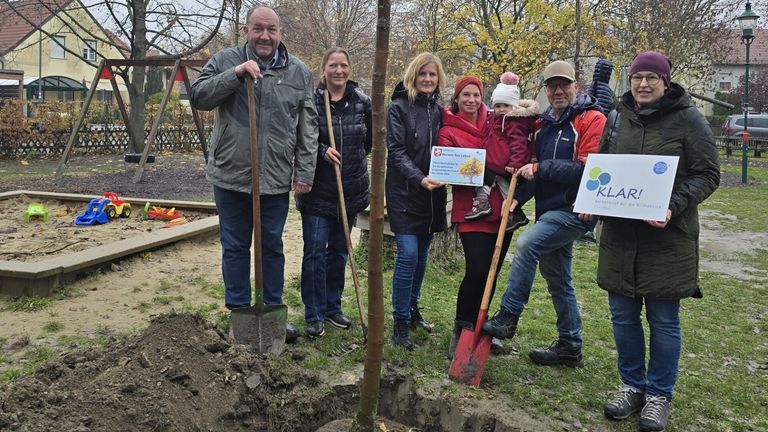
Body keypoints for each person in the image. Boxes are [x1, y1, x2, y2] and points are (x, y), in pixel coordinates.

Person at [592, 51, 719, 432]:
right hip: (619, 236)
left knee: (663, 320)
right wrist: (591, 202)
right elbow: (602, 166)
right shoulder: (616, 118)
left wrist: (672, 205)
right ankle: (631, 385)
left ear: (666, 82)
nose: (643, 84)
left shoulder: (688, 120)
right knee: (622, 316)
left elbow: (708, 174)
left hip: (667, 240)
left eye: (651, 77)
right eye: (637, 77)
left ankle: (659, 394)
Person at [189, 6, 318, 342]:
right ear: (246, 30)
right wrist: (234, 74)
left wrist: (304, 171)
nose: (265, 36)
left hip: (274, 177)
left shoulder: (298, 72)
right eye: (258, 29)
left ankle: (272, 312)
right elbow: (199, 97)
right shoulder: (224, 59)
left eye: (271, 30)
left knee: (271, 246)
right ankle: (240, 313)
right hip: (231, 173)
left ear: (280, 33)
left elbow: (308, 126)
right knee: (235, 246)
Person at [482, 60, 606, 368]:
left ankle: (509, 315)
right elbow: (532, 170)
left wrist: (539, 168)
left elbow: (588, 168)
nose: (558, 91)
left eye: (564, 84)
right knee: (558, 280)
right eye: (552, 86)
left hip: (577, 210)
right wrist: (518, 199)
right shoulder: (544, 124)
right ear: (546, 90)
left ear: (576, 86)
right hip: (549, 209)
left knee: (526, 245)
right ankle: (570, 346)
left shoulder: (591, 119)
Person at [437, 74, 539, 359]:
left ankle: (480, 329)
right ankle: (462, 327)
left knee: (492, 273)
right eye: (465, 95)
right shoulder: (448, 129)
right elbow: (451, 168)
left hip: (503, 208)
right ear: (456, 98)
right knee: (477, 270)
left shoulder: (498, 119)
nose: (471, 100)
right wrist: (490, 167)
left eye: (476, 94)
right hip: (471, 208)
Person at [296, 48, 372, 339]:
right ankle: (313, 313)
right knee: (314, 253)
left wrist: (349, 160)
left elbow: (368, 144)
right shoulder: (313, 102)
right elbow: (300, 139)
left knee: (339, 251)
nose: (338, 70)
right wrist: (321, 152)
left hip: (349, 191)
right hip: (316, 192)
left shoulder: (361, 102)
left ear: (349, 69)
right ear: (324, 68)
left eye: (343, 65)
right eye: (333, 65)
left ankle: (332, 306)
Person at [386, 52, 448, 350]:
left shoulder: (440, 110)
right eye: (422, 74)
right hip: (404, 193)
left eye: (432, 75)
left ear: (438, 79)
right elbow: (396, 152)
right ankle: (399, 321)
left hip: (432, 195)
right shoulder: (398, 108)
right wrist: (419, 179)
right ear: (413, 76)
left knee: (422, 257)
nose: (427, 79)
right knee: (408, 254)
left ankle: (412, 310)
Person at [463, 72, 539, 232]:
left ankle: (508, 212)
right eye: (498, 106)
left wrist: (515, 163)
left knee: (496, 185)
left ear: (514, 106)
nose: (501, 109)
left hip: (505, 164)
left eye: (506, 106)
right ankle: (498, 209)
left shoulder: (514, 122)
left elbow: (520, 144)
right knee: (490, 182)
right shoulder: (495, 119)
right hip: (495, 161)